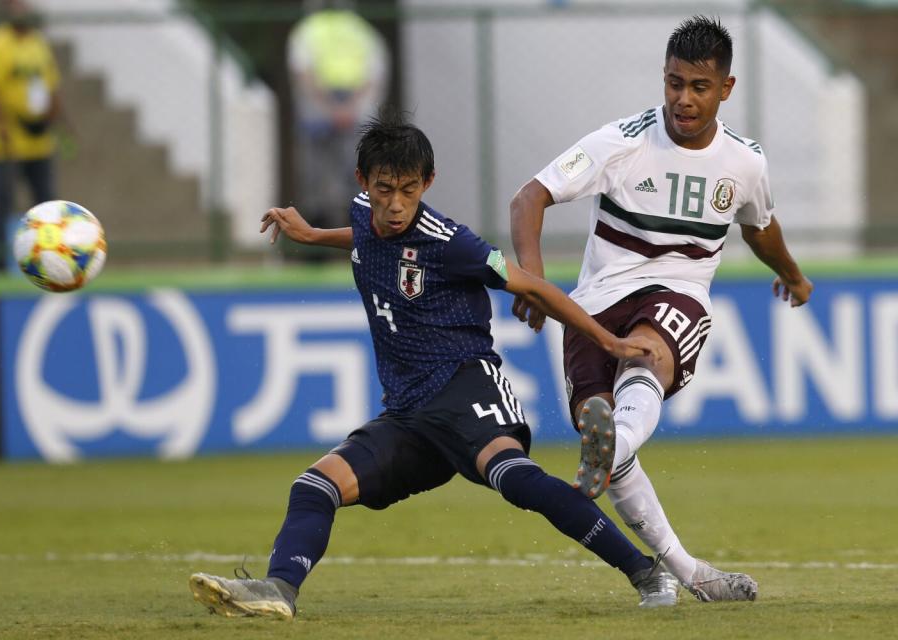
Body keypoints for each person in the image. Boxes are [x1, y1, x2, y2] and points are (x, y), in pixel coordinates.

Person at [189, 113, 682, 620]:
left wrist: (607, 340)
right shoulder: (364, 213)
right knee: (314, 487)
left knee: (517, 479)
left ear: (428, 182)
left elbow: (531, 286)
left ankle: (645, 571)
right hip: (407, 412)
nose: (396, 203)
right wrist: (312, 236)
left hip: (466, 385)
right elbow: (367, 235)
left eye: (408, 189)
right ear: (364, 182)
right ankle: (278, 591)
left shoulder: (451, 243)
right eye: (385, 189)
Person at [509, 15, 813, 602]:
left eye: (699, 87)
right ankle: (688, 571)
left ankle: (613, 446)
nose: (683, 98)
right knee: (606, 433)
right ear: (664, 79)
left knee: (647, 355)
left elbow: (760, 228)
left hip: (678, 294)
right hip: (593, 307)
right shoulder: (620, 142)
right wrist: (532, 280)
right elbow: (530, 196)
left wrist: (793, 276)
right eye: (674, 83)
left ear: (725, 88)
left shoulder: (745, 163)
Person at [286, 0, 389, 252]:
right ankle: (358, 243)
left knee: (319, 180)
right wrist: (350, 109)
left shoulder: (308, 29)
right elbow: (376, 72)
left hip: (322, 111)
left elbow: (303, 73)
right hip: (349, 112)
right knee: (353, 179)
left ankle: (318, 248)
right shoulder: (361, 30)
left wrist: (331, 109)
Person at [0, 0, 67, 270]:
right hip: (7, 143)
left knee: (47, 203)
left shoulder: (38, 43)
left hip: (38, 140)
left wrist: (56, 116)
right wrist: (2, 126)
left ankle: (52, 261)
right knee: (3, 204)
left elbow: (51, 83)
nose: (22, 10)